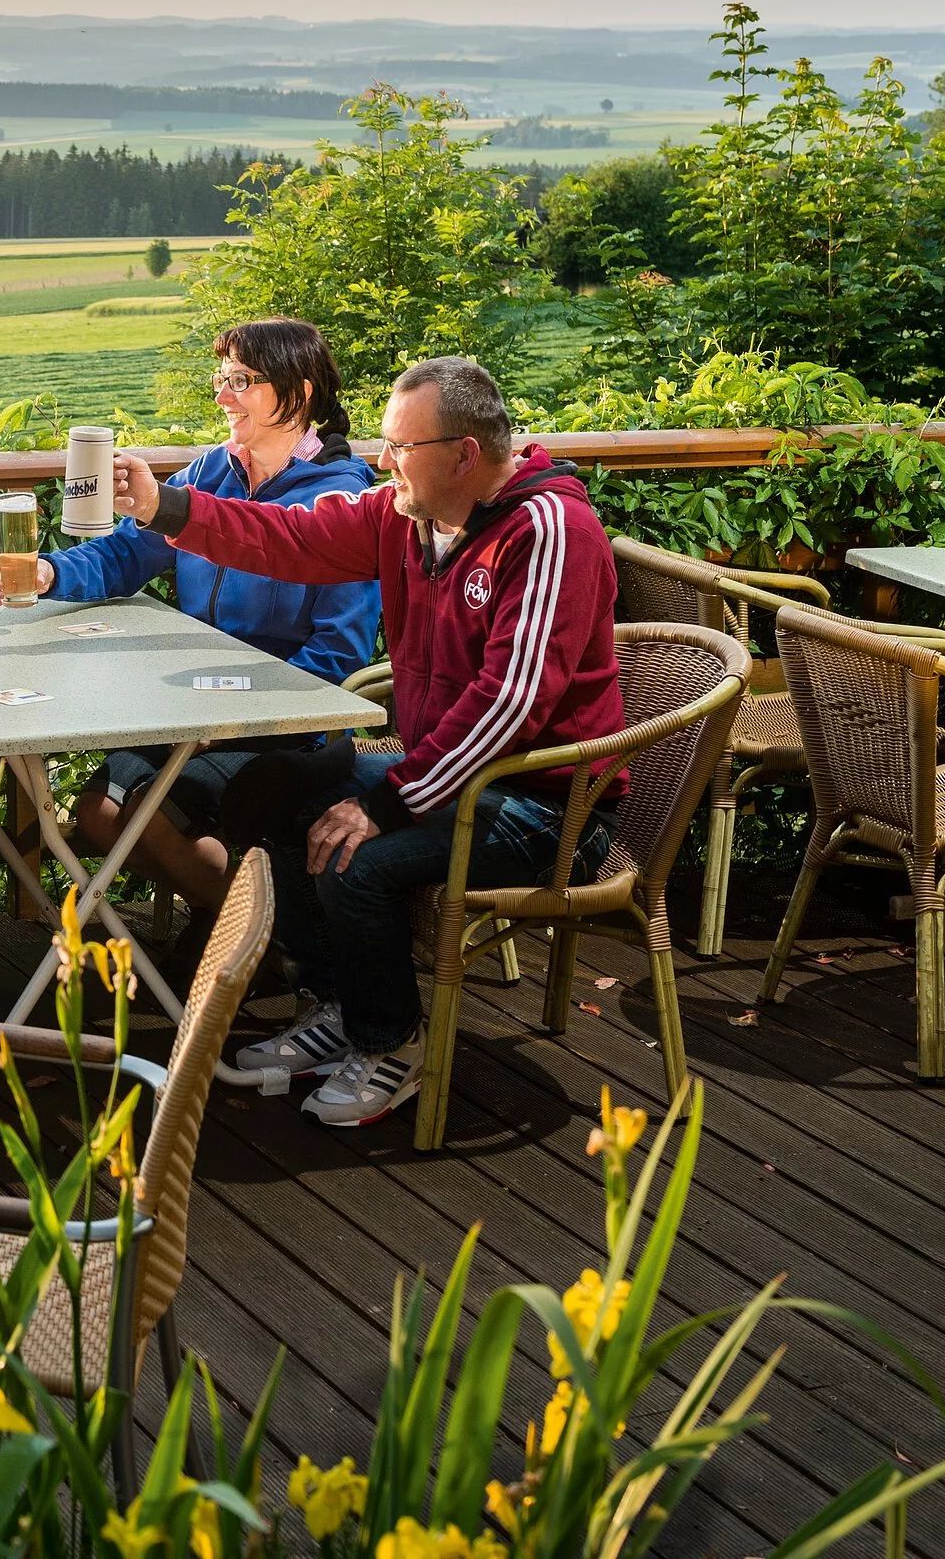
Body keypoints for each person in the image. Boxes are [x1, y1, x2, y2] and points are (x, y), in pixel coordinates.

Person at [109, 356, 625, 1127]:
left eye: (400, 448)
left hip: (544, 803)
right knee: (271, 795)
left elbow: (512, 701)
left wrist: (389, 800)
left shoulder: (548, 529)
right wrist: (168, 508)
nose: (382, 462)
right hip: (450, 777)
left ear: (464, 455)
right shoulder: (404, 515)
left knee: (357, 856)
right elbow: (288, 538)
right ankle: (339, 1004)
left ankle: (390, 1039)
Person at [30, 318, 381, 935]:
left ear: (297, 394)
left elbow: (340, 655)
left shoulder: (340, 506)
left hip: (285, 726)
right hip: (192, 709)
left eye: (242, 380)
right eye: (222, 378)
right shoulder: (210, 473)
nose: (222, 395)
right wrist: (43, 575)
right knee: (96, 810)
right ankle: (230, 922)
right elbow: (124, 556)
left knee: (149, 814)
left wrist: (238, 714)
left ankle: (276, 943)